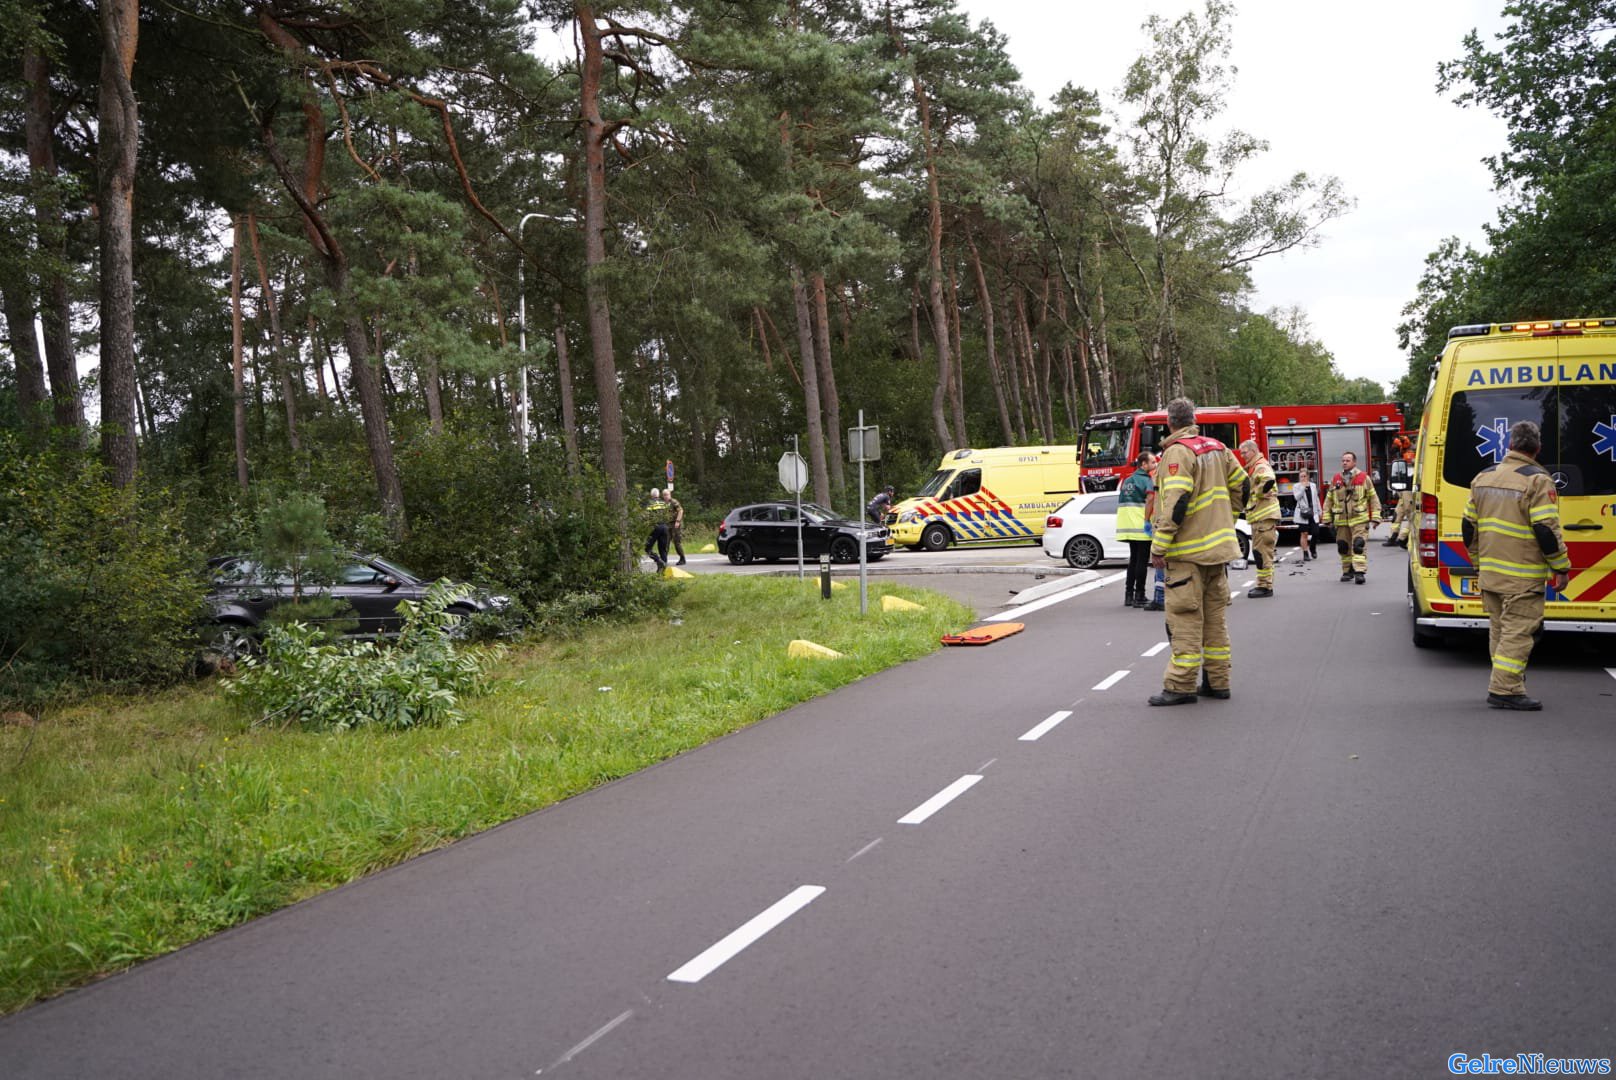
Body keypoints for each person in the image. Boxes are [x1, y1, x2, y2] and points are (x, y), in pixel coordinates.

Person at [1147, 397, 1250, 706]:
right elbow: (1243, 487)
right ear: (1193, 419)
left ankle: (1181, 686)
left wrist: (1160, 545)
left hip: (1187, 555)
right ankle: (1218, 682)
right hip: (1217, 553)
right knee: (1215, 621)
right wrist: (1227, 519)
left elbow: (1177, 501)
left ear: (1170, 422)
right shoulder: (1218, 448)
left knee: (1185, 621)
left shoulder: (1177, 452)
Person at [1462, 420, 1570, 710]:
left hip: (1492, 574)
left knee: (1500, 631)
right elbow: (1546, 530)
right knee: (1519, 632)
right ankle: (1505, 689)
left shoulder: (1483, 477)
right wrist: (1561, 567)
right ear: (1537, 448)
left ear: (1509, 445)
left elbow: (1468, 527)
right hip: (1523, 576)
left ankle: (1506, 682)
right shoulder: (1537, 480)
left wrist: (1478, 563)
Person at [1321, 450, 1381, 584]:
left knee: (1359, 545)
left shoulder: (1363, 478)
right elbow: (1329, 499)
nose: (1344, 463)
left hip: (1359, 519)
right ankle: (1347, 571)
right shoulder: (1336, 479)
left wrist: (1376, 517)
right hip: (1341, 521)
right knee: (1343, 546)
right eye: (1343, 460)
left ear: (1354, 462)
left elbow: (1373, 498)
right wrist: (1326, 518)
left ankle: (1359, 572)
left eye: (1347, 460)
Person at [1237, 439, 1280, 598]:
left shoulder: (1260, 466)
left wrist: (1259, 492)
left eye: (1244, 452)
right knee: (1259, 552)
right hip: (1259, 516)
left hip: (1264, 516)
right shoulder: (1253, 466)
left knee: (1263, 553)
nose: (1242, 456)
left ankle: (1265, 586)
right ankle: (1263, 584)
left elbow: (1268, 480)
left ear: (1253, 451)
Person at [1116, 452, 1156, 607]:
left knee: (1133, 560)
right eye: (1152, 462)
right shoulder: (1147, 480)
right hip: (1141, 525)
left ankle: (1128, 596)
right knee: (1142, 561)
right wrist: (1147, 520)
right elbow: (1151, 499)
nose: (1155, 464)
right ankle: (1140, 595)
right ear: (1143, 464)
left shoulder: (1127, 480)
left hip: (1127, 525)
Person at [1291, 467, 1321, 561]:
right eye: (1301, 476)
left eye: (1304, 476)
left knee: (1316, 532)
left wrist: (1320, 511)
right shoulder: (1296, 486)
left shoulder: (1313, 485)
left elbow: (1316, 499)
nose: (1303, 478)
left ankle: (1312, 548)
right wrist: (1303, 487)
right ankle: (1305, 553)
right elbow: (1297, 497)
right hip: (1303, 513)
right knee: (1304, 533)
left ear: (1308, 476)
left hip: (1313, 512)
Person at [644, 487, 670, 570]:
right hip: (665, 527)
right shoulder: (663, 503)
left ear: (651, 495)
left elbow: (647, 516)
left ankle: (658, 560)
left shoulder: (650, 503)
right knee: (663, 549)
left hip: (656, 527)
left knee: (647, 548)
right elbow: (668, 514)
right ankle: (663, 571)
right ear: (658, 495)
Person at [665, 485, 687, 565]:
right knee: (666, 542)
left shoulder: (674, 502)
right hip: (668, 525)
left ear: (669, 495)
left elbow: (681, 511)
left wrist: (677, 521)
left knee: (677, 542)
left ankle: (682, 558)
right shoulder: (664, 503)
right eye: (664, 495)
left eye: (667, 494)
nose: (665, 496)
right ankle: (664, 559)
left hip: (676, 524)